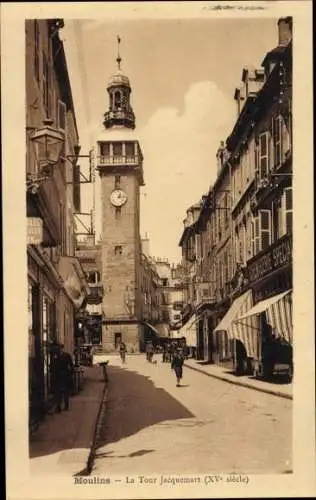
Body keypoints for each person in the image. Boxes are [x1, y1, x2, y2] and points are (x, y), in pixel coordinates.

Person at [53, 344, 73, 412]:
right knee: (58, 392)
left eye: (60, 348)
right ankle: (58, 407)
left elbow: (71, 365)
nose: (60, 350)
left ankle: (66, 406)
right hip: (58, 376)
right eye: (59, 349)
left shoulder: (67, 355)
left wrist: (70, 373)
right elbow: (54, 365)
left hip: (65, 375)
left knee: (65, 392)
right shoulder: (56, 356)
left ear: (62, 349)